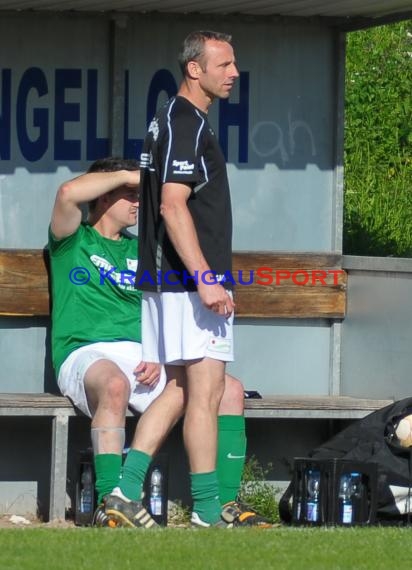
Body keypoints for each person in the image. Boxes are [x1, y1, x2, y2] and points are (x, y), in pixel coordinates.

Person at [49, 157, 265, 528]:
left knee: (228, 389)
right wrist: (132, 175)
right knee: (114, 384)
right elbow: (68, 193)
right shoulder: (72, 241)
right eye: (130, 195)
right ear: (103, 196)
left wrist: (158, 355)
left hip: (142, 355)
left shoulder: (145, 250)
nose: (138, 202)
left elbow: (161, 312)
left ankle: (224, 504)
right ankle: (111, 505)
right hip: (85, 351)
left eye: (140, 195)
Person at [133, 30, 270, 528]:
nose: (234, 73)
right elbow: (172, 205)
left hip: (176, 279)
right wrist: (207, 278)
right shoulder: (185, 121)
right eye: (225, 64)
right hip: (188, 282)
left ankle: (125, 492)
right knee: (206, 390)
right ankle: (209, 510)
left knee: (184, 390)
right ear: (196, 69)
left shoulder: (177, 119)